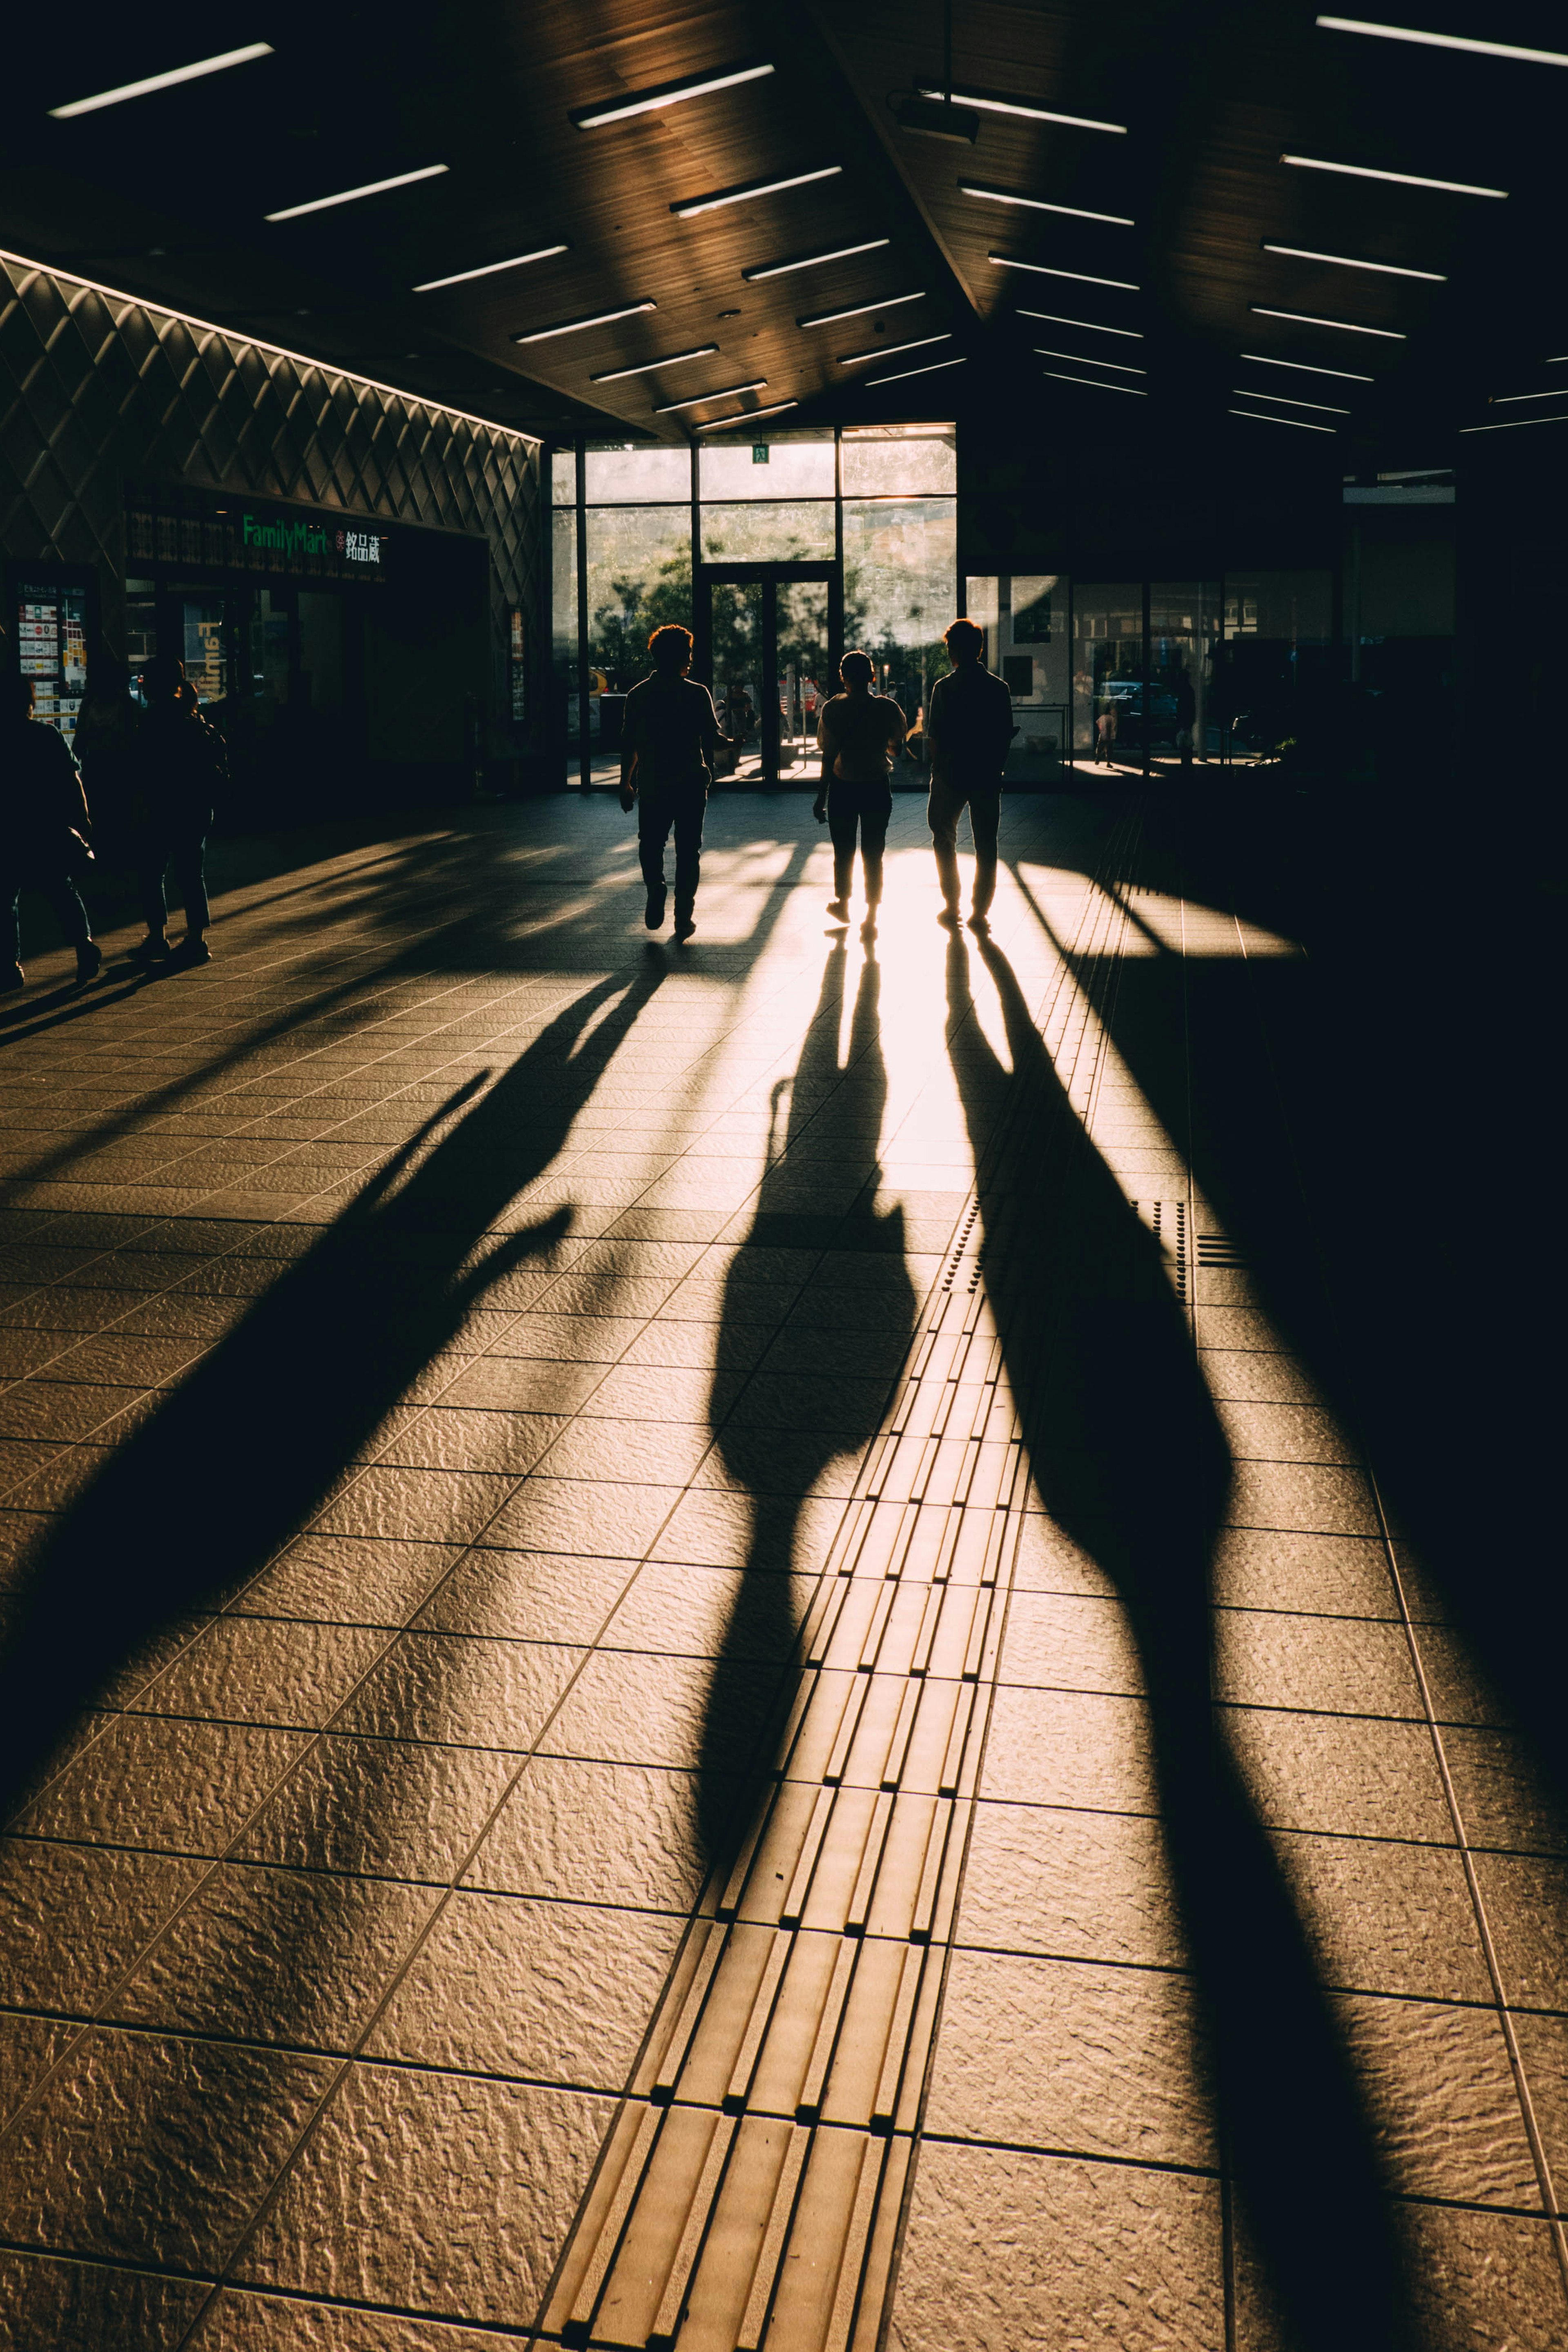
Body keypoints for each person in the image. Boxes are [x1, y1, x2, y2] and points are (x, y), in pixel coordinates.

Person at [619, 624, 725, 943]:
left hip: (654, 783)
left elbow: (630, 745)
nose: (691, 658)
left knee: (650, 843)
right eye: (688, 652)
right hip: (691, 783)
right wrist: (733, 741)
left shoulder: (638, 695)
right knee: (688, 851)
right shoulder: (696, 692)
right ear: (678, 656)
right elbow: (712, 736)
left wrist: (625, 783)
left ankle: (655, 885)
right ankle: (683, 919)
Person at [0, 675, 102, 990]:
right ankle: (84, 945)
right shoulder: (47, 735)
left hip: (8, 828)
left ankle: (9, 966)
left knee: (5, 898)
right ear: (30, 703)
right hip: (46, 826)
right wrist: (83, 820)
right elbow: (73, 781)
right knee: (60, 889)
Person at [925, 617, 1016, 931]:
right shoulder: (998, 688)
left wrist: (938, 769)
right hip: (986, 775)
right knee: (986, 843)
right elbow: (1005, 735)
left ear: (956, 650)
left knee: (943, 838)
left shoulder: (945, 688)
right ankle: (980, 911)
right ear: (979, 649)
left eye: (950, 646)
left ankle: (952, 905)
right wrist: (997, 768)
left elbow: (935, 735)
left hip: (950, 773)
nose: (949, 651)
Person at [132, 657, 226, 964]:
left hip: (161, 807)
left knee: (151, 873)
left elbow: (144, 769)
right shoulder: (193, 717)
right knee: (191, 875)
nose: (142, 684)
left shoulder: (151, 721)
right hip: (196, 807)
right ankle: (196, 939)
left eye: (145, 679)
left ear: (156, 684)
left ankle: (158, 937)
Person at [813, 649, 905, 935]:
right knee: (873, 851)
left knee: (844, 850)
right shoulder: (887, 708)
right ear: (872, 676)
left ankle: (843, 902)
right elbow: (896, 749)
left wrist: (821, 796)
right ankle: (872, 914)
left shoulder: (832, 708)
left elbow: (828, 756)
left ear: (843, 678)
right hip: (877, 785)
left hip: (843, 786)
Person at [72, 653, 141, 871]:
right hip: (114, 768)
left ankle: (108, 858)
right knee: (111, 815)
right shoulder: (126, 706)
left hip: (107, 768)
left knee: (104, 815)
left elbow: (80, 738)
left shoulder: (93, 705)